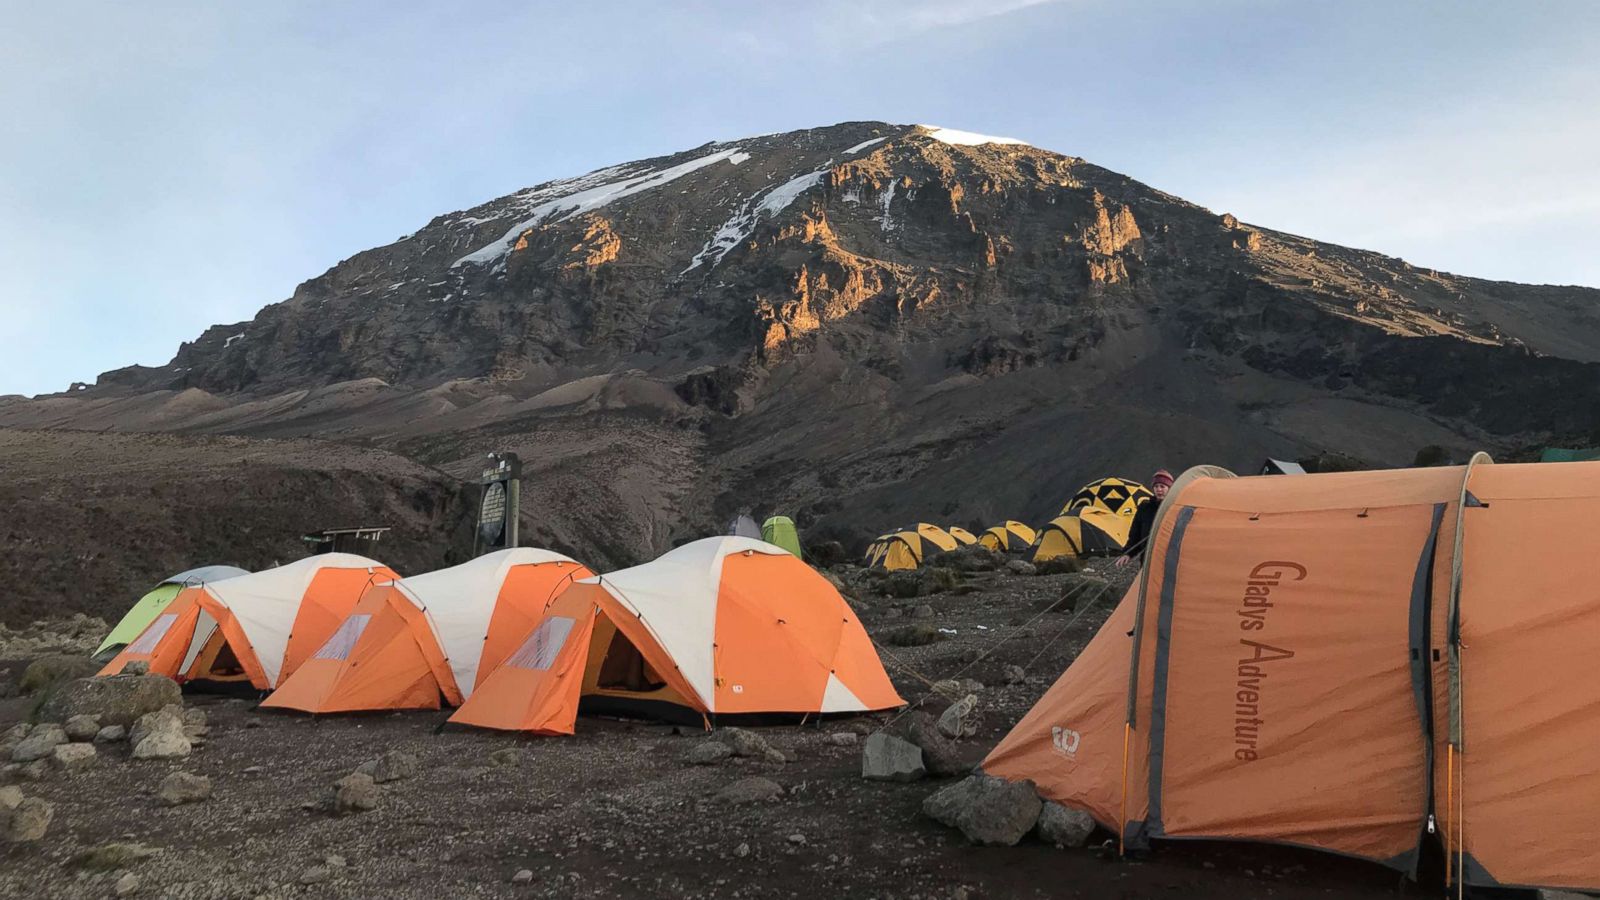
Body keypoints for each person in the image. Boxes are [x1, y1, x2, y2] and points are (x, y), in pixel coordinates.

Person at [1115, 469, 1173, 567]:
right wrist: (1128, 553)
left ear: (1169, 489)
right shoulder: (1144, 508)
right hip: (1147, 559)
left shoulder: (1174, 508)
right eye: (1156, 486)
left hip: (1169, 559)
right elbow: (1135, 535)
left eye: (1162, 486)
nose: (1159, 489)